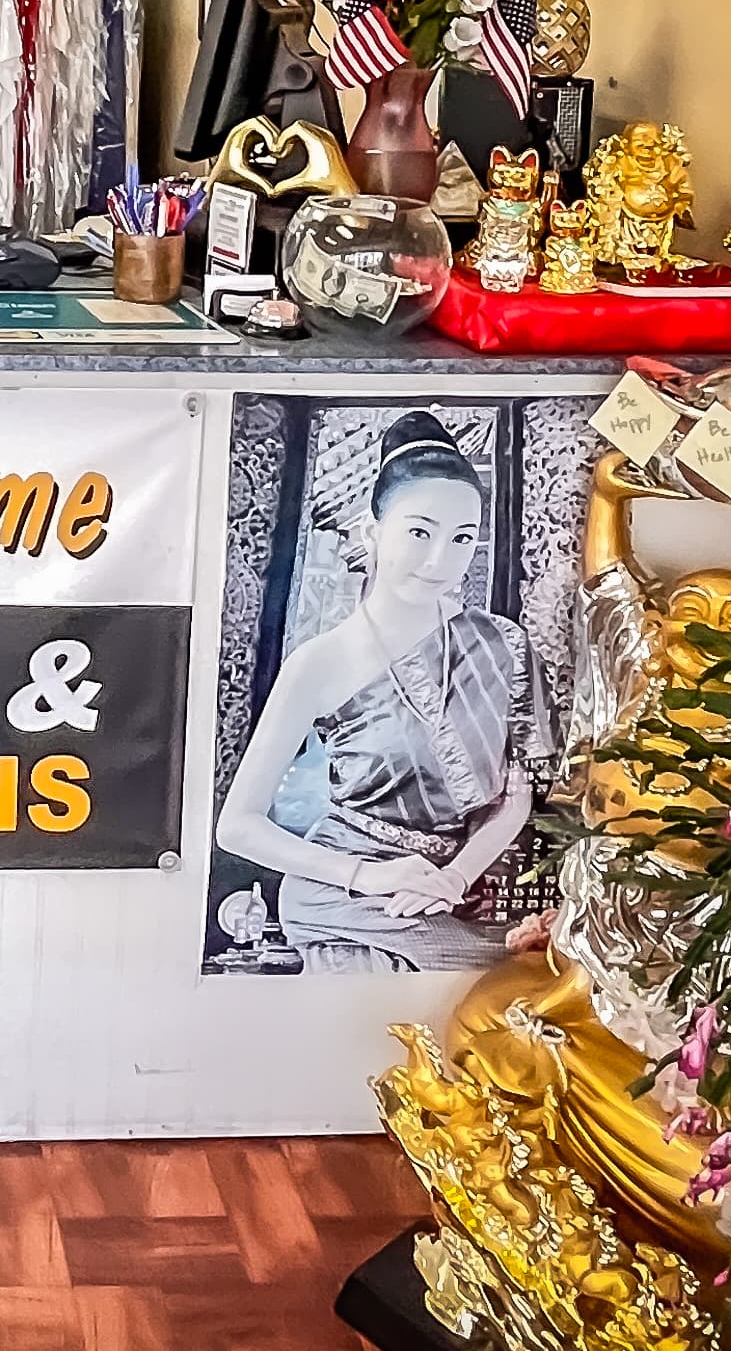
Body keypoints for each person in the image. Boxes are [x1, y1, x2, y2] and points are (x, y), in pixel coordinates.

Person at [215, 411, 543, 970]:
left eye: (462, 538)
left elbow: (517, 791)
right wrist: (371, 875)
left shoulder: (503, 645)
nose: (441, 561)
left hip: (467, 885)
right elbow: (237, 827)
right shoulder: (319, 664)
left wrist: (454, 875)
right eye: (419, 532)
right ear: (371, 533)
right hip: (345, 892)